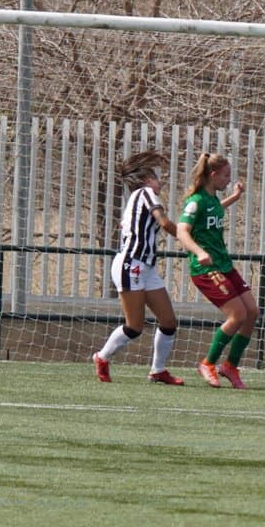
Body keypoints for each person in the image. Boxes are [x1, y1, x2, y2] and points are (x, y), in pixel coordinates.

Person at [92, 151, 186, 386]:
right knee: (135, 326)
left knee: (168, 322)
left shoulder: (136, 198)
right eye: (156, 176)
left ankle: (158, 370)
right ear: (146, 179)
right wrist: (190, 242)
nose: (160, 181)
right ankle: (102, 357)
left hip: (146, 268)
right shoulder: (145, 193)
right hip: (130, 264)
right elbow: (164, 222)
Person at [177, 153, 259, 390]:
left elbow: (214, 210)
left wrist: (234, 197)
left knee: (252, 311)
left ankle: (230, 366)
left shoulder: (212, 200)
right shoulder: (195, 201)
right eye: (225, 175)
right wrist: (199, 251)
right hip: (206, 269)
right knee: (237, 316)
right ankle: (207, 363)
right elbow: (182, 231)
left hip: (224, 264)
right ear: (213, 175)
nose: (228, 179)